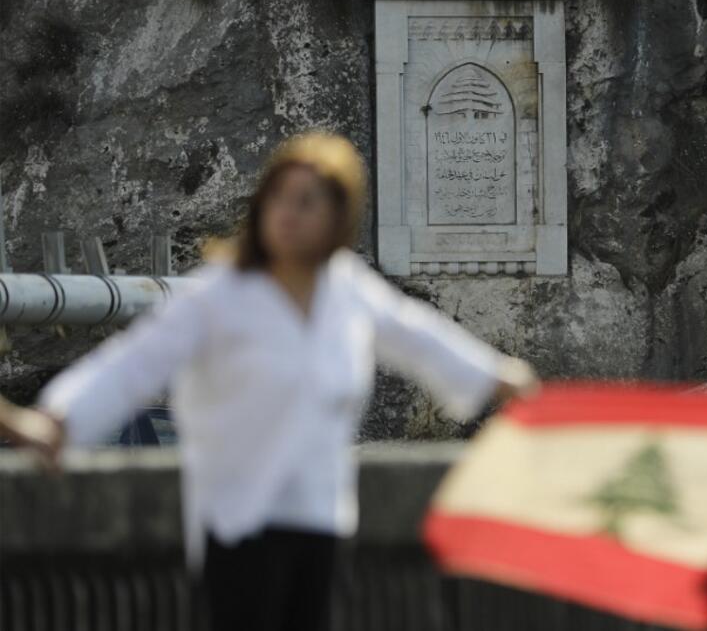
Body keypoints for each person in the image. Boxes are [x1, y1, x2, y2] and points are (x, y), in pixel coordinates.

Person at [17, 131, 539, 631]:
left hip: (320, 518)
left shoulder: (348, 290)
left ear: (337, 217)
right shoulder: (219, 295)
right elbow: (133, 363)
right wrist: (61, 419)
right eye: (279, 198)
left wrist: (497, 377)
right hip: (240, 519)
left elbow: (419, 337)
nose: (288, 213)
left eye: (306, 202)